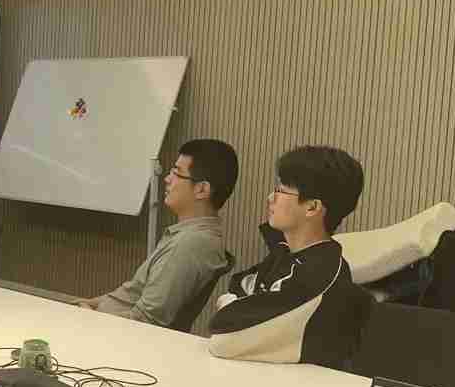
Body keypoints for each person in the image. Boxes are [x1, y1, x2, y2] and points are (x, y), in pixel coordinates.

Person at [209, 145, 366, 366]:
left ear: (312, 207)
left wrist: (235, 304)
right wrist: (236, 304)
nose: (270, 197)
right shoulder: (285, 252)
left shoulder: (321, 272)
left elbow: (224, 339)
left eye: (281, 191)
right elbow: (238, 286)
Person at [79, 138, 237, 327]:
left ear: (202, 189)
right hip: (101, 320)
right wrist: (91, 305)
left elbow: (145, 322)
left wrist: (89, 318)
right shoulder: (187, 235)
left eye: (177, 173)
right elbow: (130, 295)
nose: (167, 179)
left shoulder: (191, 245)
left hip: (109, 333)